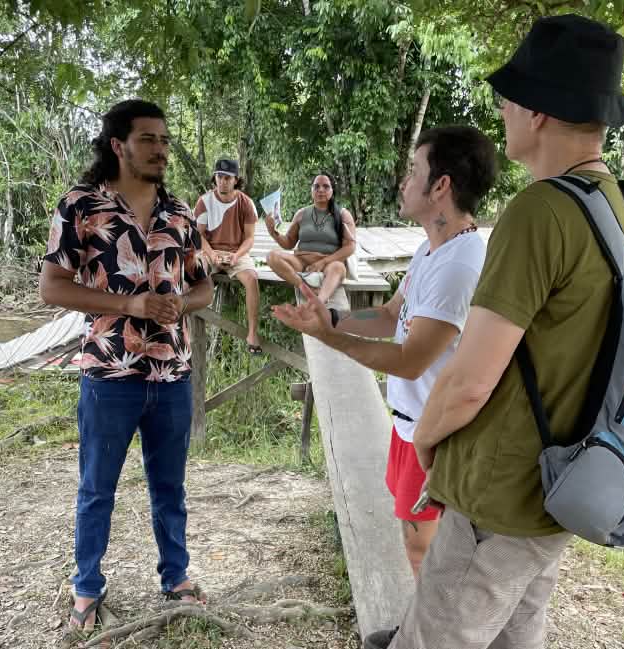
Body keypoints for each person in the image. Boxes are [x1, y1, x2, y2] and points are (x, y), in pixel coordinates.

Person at [363, 15, 624, 649]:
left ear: (539, 111)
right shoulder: (613, 203)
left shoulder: (539, 211)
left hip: (501, 495)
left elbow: (467, 382)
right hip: (563, 485)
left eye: (511, 98)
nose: (506, 110)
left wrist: (428, 444)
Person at [272, 126, 497, 581]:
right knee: (417, 545)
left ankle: (431, 632)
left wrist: (330, 340)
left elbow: (409, 359)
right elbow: (392, 315)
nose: (403, 180)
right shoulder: (431, 250)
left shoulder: (460, 264)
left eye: (414, 170)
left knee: (427, 553)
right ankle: (424, 626)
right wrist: (331, 320)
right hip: (409, 423)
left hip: (438, 433)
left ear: (441, 186)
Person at [39, 99, 214, 631]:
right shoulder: (81, 206)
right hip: (108, 373)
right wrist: (131, 305)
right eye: (148, 140)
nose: (161, 149)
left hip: (173, 374)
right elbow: (52, 286)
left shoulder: (180, 213)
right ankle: (86, 591)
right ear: (118, 146)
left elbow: (204, 284)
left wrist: (183, 303)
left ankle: (176, 579)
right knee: (97, 487)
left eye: (164, 140)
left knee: (170, 486)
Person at [194, 159, 262, 353]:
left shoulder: (246, 203)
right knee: (195, 270)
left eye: (227, 177)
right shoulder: (204, 201)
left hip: (236, 252)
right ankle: (192, 331)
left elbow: (249, 239)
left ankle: (252, 333)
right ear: (214, 178)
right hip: (210, 250)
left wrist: (236, 256)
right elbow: (198, 235)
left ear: (235, 180)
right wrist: (211, 254)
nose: (222, 181)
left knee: (252, 278)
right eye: (219, 176)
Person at [265, 172, 356, 304]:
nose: (320, 190)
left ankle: (320, 301)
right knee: (271, 256)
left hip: (329, 264)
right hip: (301, 263)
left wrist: (323, 262)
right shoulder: (302, 214)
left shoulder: (342, 214)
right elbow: (289, 243)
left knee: (339, 268)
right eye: (316, 186)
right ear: (311, 190)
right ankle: (307, 289)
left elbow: (350, 247)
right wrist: (273, 232)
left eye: (326, 186)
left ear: (332, 191)